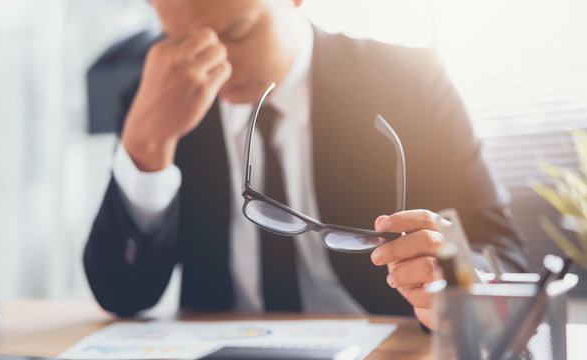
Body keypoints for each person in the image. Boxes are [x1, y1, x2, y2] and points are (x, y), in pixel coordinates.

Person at [84, 0, 529, 329]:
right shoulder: (160, 99)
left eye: (238, 32)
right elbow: (122, 295)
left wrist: (454, 283)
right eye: (181, 41)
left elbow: (504, 257)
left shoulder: (410, 83)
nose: (215, 65)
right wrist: (145, 147)